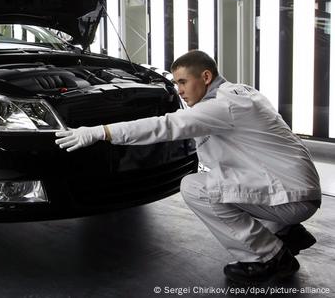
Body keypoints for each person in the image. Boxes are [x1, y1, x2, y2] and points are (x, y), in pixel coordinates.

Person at [55, 50, 321, 285]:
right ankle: (287, 234)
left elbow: (165, 125)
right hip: (299, 190)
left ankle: (268, 257)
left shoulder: (222, 106)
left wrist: (100, 131)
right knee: (222, 181)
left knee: (195, 187)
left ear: (205, 77)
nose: (179, 90)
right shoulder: (241, 92)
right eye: (176, 83)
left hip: (292, 198)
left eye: (183, 82)